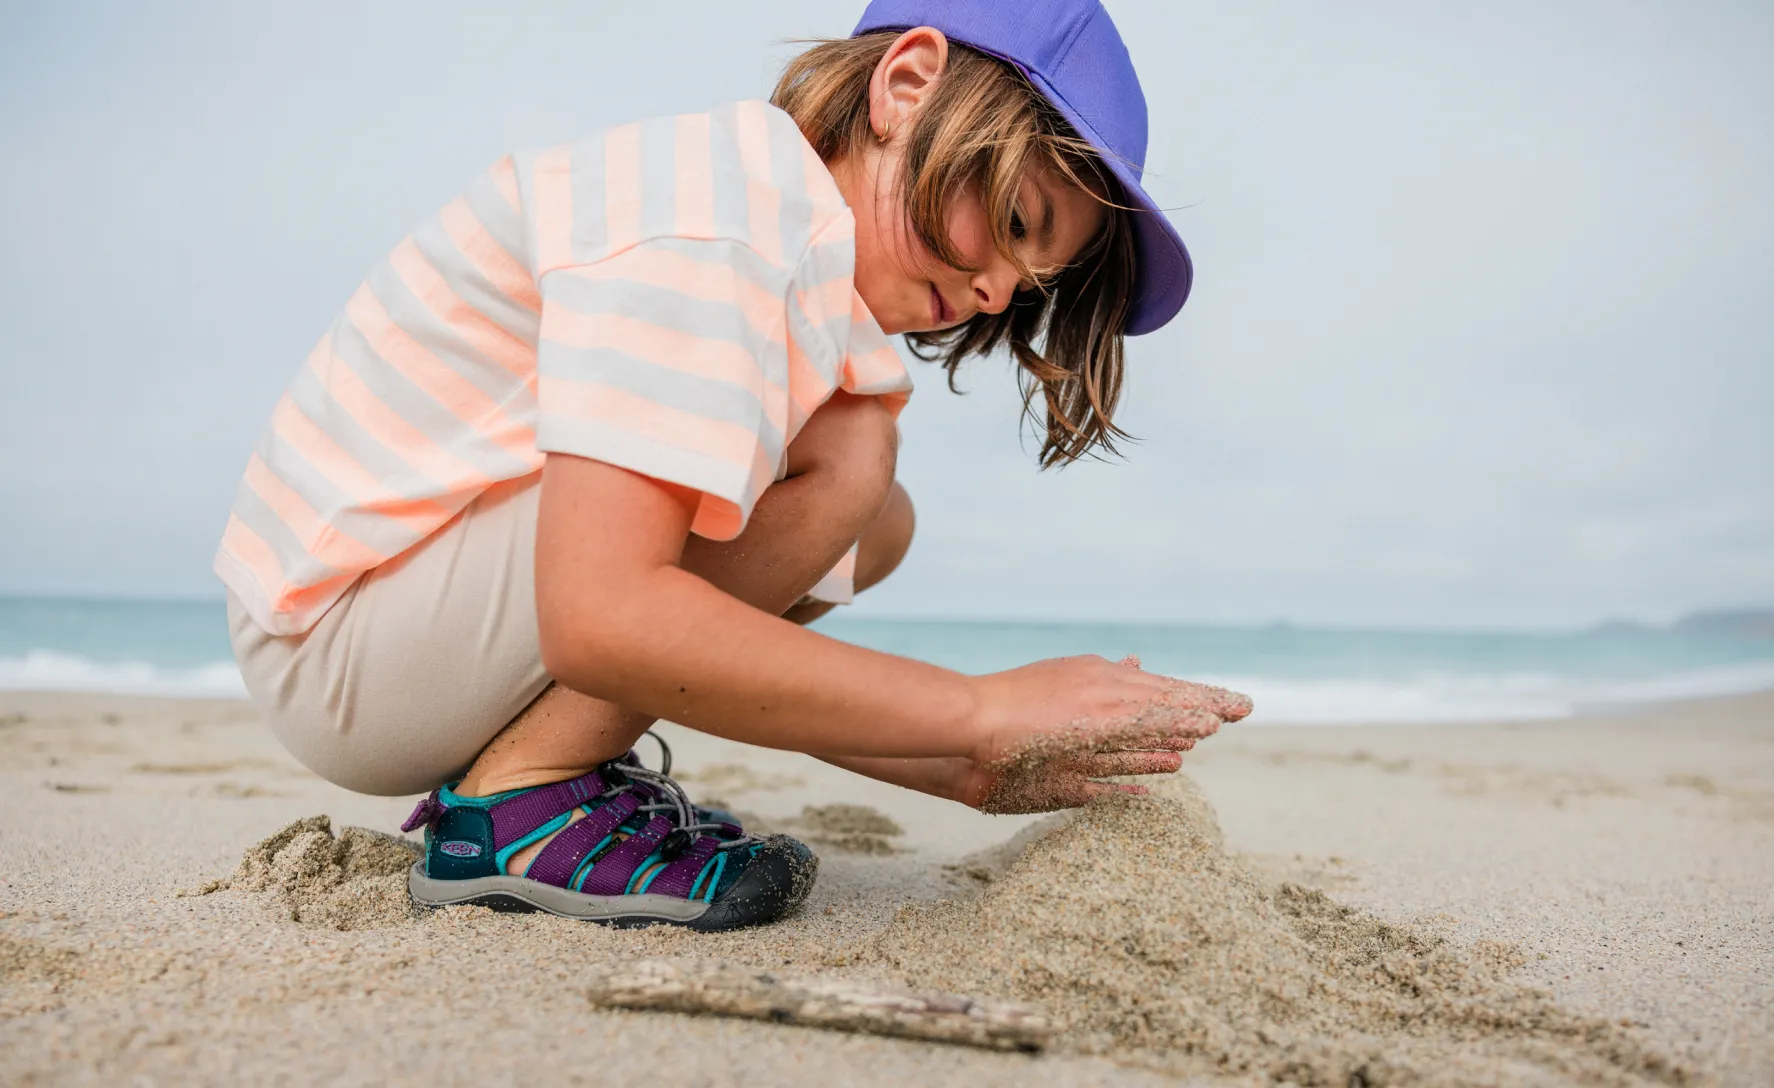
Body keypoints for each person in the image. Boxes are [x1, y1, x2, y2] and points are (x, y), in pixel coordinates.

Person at [217, 0, 1252, 932]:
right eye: (1017, 222)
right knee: (848, 452)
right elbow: (604, 618)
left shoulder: (772, 252)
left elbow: (704, 629)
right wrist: (978, 708)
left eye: (1031, 281)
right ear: (905, 84)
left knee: (874, 513)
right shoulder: (715, 213)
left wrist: (963, 764)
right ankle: (519, 800)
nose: (995, 293)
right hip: (342, 633)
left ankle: (533, 773)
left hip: (394, 637)